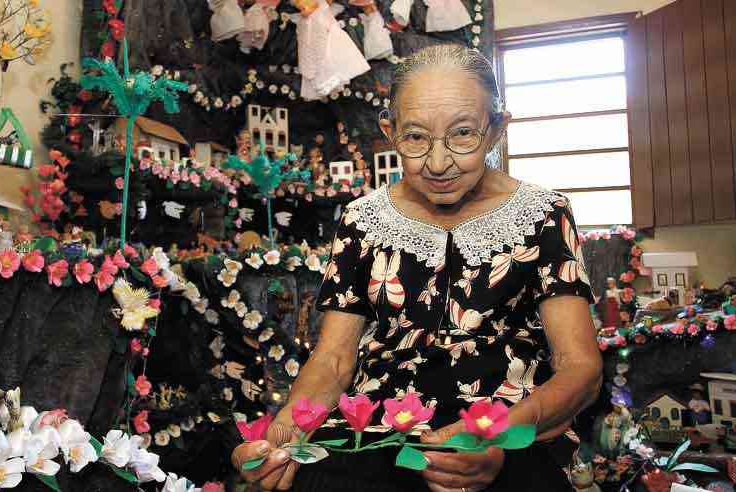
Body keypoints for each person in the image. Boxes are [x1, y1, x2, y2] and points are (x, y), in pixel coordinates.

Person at [232, 45, 603, 491]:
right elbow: (333, 358)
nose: (439, 162)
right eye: (415, 138)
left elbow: (579, 366)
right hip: (378, 429)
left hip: (509, 424)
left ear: (498, 130)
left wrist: (493, 437)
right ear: (390, 132)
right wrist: (287, 431)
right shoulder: (361, 221)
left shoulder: (544, 214)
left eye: (463, 134)